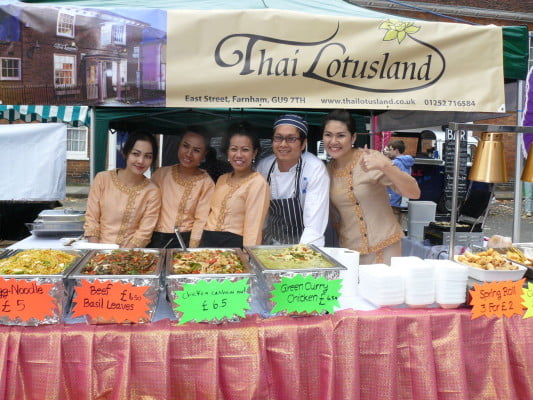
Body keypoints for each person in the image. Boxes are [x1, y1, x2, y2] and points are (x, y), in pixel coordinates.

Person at [322, 110, 421, 264]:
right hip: (351, 251)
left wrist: (385, 166)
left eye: (341, 135)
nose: (333, 141)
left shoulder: (371, 158)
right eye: (328, 135)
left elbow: (414, 192)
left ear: (353, 137)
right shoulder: (327, 170)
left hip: (385, 246)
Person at [257, 114, 330, 246]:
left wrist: (301, 256)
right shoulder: (264, 167)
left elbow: (314, 224)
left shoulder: (314, 169)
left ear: (303, 144)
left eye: (291, 139)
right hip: (270, 244)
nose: (283, 144)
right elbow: (260, 215)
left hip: (304, 246)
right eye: (278, 138)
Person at [84, 131, 161, 248]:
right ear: (125, 153)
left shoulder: (152, 191)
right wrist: (95, 251)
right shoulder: (103, 179)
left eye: (148, 156)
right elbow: (92, 219)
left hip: (130, 256)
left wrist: (122, 257)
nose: (141, 161)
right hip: (98, 250)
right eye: (136, 154)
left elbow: (144, 233)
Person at [200, 121, 270, 248]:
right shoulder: (222, 179)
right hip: (207, 243)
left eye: (245, 150)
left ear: (254, 153)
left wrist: (248, 257)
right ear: (227, 152)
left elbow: (253, 229)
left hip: (234, 247)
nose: (238, 155)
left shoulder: (257, 183)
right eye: (233, 149)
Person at [149, 126, 215, 248]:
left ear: (204, 154)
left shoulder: (206, 183)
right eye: (185, 146)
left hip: (184, 241)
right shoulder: (161, 174)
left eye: (196, 150)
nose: (189, 153)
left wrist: (191, 250)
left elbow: (200, 220)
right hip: (154, 238)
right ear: (179, 145)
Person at [383, 139, 415, 222]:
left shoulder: (395, 162)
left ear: (396, 150)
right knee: (397, 212)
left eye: (390, 150)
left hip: (394, 192)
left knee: (392, 212)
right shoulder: (407, 162)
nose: (388, 152)